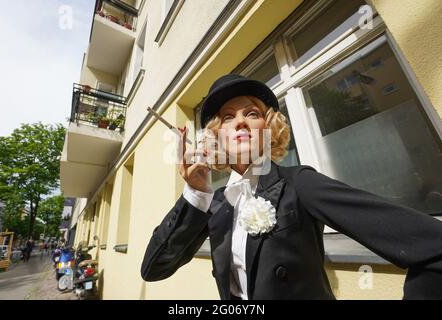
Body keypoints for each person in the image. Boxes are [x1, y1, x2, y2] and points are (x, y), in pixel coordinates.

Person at [141, 74, 442, 299]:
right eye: (228, 117)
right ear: (216, 137)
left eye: (252, 113)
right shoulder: (216, 203)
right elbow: (154, 270)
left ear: (269, 129)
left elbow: (432, 246)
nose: (241, 122)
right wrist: (196, 194)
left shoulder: (298, 182)